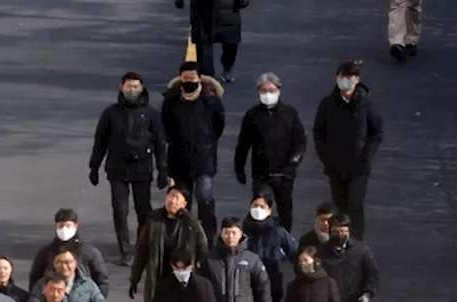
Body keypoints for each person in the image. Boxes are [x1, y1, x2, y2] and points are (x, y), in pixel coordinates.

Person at [89, 72, 170, 267]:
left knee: (144, 209)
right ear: (121, 87)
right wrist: (94, 166)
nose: (132, 90)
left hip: (142, 168)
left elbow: (160, 143)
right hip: (117, 168)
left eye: (135, 86)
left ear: (142, 88)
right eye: (128, 86)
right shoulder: (111, 113)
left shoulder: (151, 114)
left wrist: (162, 170)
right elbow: (100, 141)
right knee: (120, 210)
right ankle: (125, 250)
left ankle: (143, 247)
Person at [313, 60, 385, 241]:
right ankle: (338, 239)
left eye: (349, 77)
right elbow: (319, 131)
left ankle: (356, 242)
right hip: (335, 165)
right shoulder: (328, 103)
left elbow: (376, 132)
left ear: (357, 79)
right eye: (341, 76)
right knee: (339, 206)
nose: (345, 81)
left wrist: (365, 157)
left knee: (355, 205)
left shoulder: (366, 104)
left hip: (358, 166)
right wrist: (326, 157)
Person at [161, 62, 226, 242]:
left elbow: (218, 127)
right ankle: (183, 237)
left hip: (204, 160)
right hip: (178, 160)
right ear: (180, 79)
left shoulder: (211, 101)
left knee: (205, 198)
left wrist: (206, 142)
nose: (189, 81)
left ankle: (208, 237)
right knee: (182, 202)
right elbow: (165, 126)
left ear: (199, 79)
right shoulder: (171, 101)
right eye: (185, 78)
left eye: (193, 78)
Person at [234, 73, 306, 231]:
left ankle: (284, 239)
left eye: (271, 90)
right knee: (259, 207)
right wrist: (239, 168)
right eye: (264, 90)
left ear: (279, 90)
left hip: (285, 172)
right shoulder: (252, 115)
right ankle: (258, 239)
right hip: (261, 172)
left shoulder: (290, 113)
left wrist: (294, 160)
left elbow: (300, 140)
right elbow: (243, 143)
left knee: (285, 208)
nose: (268, 94)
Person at [28, 209, 110, 298]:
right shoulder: (45, 253)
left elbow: (101, 279)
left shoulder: (89, 252)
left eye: (68, 225)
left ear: (76, 226)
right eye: (61, 226)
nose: (64, 229)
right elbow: (35, 278)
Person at [174, 0, 246, 82]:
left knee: (230, 42)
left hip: (228, 8)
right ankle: (207, 78)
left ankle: (228, 65)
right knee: (203, 45)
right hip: (201, 9)